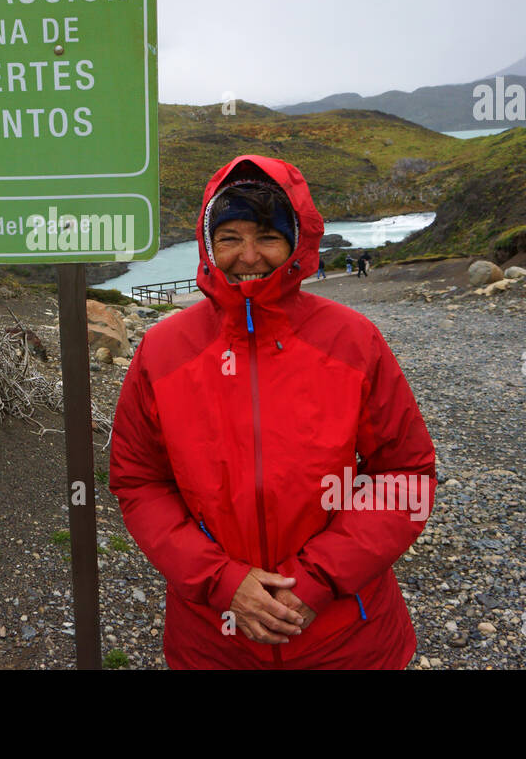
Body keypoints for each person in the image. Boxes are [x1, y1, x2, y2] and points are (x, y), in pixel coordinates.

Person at [109, 154, 436, 669]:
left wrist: (318, 579)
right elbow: (140, 482)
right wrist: (221, 580)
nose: (248, 255)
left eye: (267, 235)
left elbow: (405, 474)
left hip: (345, 637)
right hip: (215, 640)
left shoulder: (352, 341)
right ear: (208, 245)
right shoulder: (163, 351)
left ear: (297, 244)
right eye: (230, 237)